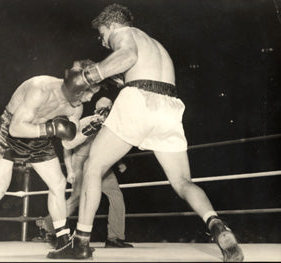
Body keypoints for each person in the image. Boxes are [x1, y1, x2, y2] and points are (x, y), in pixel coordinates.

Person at [48, 3, 244, 262]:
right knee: (183, 182)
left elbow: (127, 57)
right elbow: (132, 67)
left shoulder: (124, 34)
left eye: (103, 34)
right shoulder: (156, 46)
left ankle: (81, 243)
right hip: (170, 106)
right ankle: (217, 224)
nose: (104, 41)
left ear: (112, 25)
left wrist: (88, 76)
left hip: (140, 99)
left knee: (93, 167)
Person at [0, 59, 103, 257]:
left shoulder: (75, 108)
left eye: (92, 94)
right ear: (77, 85)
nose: (88, 99)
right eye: (88, 92)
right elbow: (16, 128)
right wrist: (52, 129)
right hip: (12, 131)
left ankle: (62, 243)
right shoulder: (40, 87)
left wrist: (86, 131)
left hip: (40, 135)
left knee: (59, 184)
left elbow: (68, 142)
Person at [35, 97, 133, 249]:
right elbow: (67, 146)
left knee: (116, 196)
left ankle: (115, 237)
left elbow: (111, 146)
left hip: (101, 165)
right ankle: (48, 227)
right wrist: (70, 170)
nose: (104, 111)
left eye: (107, 108)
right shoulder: (85, 121)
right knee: (76, 199)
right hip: (80, 164)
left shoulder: (111, 126)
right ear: (96, 108)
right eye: (101, 108)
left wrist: (119, 162)